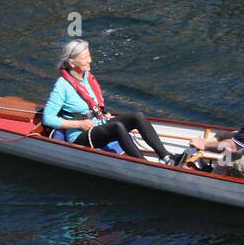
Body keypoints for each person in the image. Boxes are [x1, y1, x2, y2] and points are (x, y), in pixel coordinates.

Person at [43, 40, 173, 161]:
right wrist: (79, 124)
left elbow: (92, 103)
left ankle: (167, 157)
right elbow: (48, 118)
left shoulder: (87, 77)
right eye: (85, 58)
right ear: (72, 63)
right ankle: (144, 163)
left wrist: (103, 113)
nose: (90, 60)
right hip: (80, 135)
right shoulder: (62, 85)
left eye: (89, 56)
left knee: (137, 116)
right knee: (117, 127)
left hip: (99, 123)